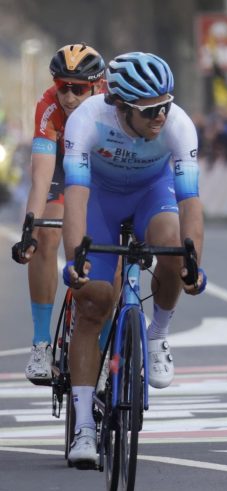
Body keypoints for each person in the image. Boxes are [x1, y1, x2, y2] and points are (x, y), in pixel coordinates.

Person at [61, 52, 207, 467]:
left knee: (173, 246)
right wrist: (76, 259)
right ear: (121, 106)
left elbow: (190, 202)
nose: (161, 116)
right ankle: (84, 426)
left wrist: (193, 263)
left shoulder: (178, 125)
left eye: (165, 105)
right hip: (99, 200)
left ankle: (158, 333)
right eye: (149, 111)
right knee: (93, 302)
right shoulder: (88, 120)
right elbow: (76, 197)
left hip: (151, 193)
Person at [12, 43, 106, 385]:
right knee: (47, 233)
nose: (68, 95)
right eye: (61, 85)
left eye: (77, 88)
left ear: (97, 85)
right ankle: (40, 344)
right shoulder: (49, 107)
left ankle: (108, 344)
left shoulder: (112, 102)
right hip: (63, 169)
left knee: (113, 242)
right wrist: (29, 228)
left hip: (103, 168)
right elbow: (41, 175)